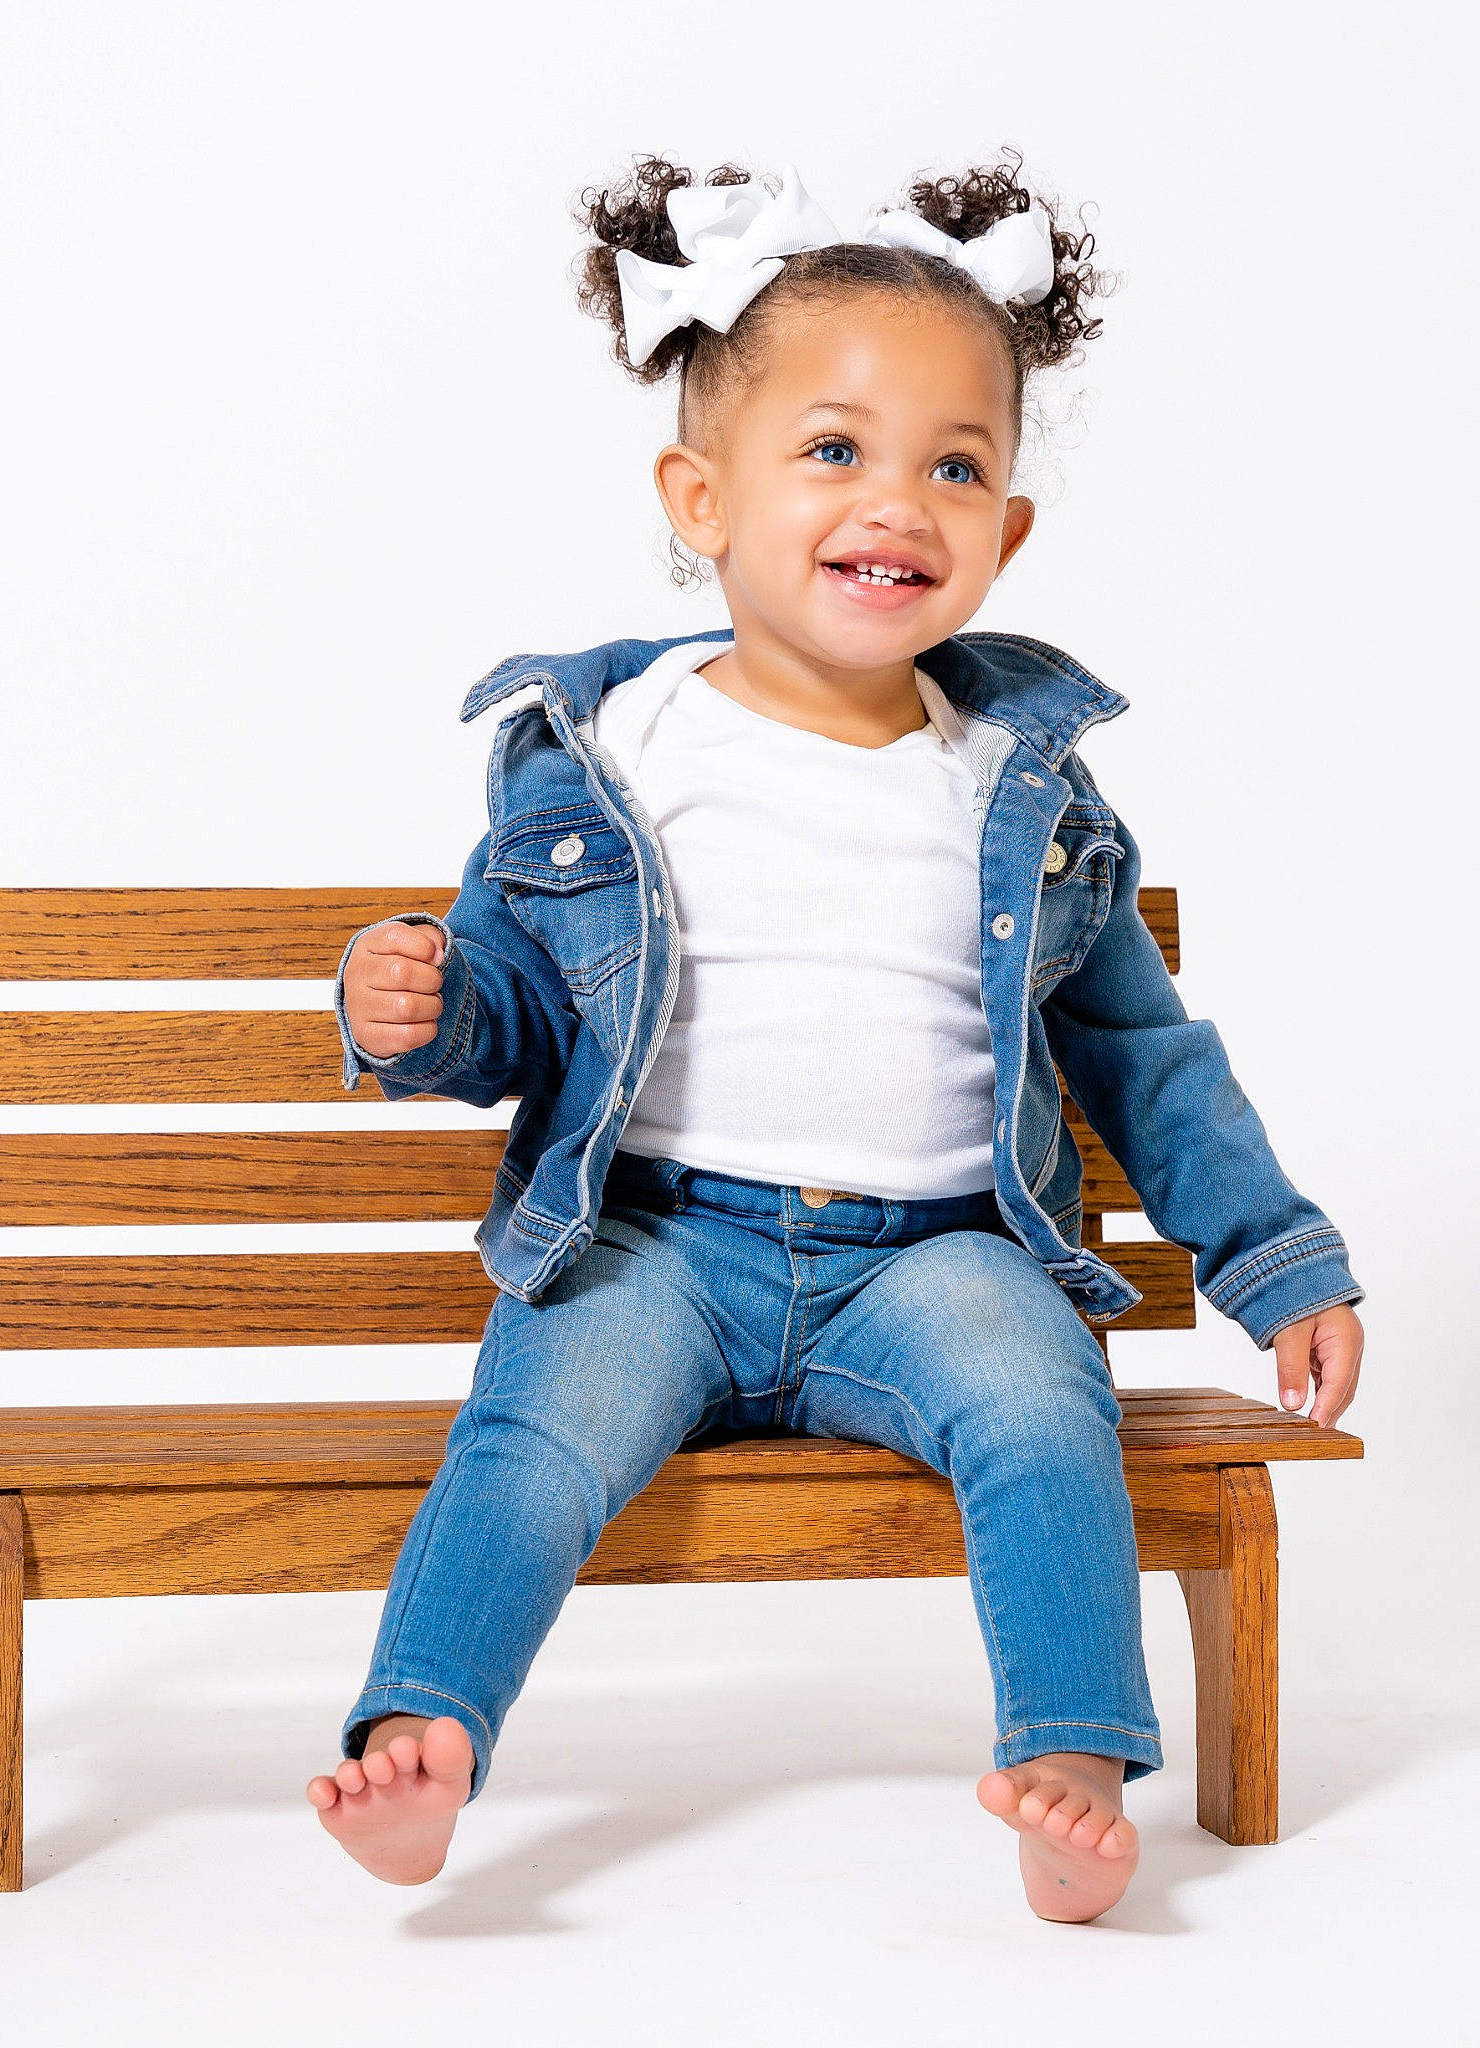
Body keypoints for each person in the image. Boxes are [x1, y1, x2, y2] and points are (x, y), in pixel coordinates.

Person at [305, 153, 1366, 1922]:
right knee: (529, 1432)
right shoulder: (612, 748)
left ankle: (1069, 1767)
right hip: (657, 1240)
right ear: (697, 498)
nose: (900, 500)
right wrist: (407, 1002)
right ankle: (425, 1740)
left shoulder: (1019, 791)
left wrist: (1271, 1256)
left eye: (955, 464)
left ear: (1006, 531)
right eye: (832, 451)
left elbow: (1143, 1054)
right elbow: (503, 993)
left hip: (932, 1262)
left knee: (1045, 1404)